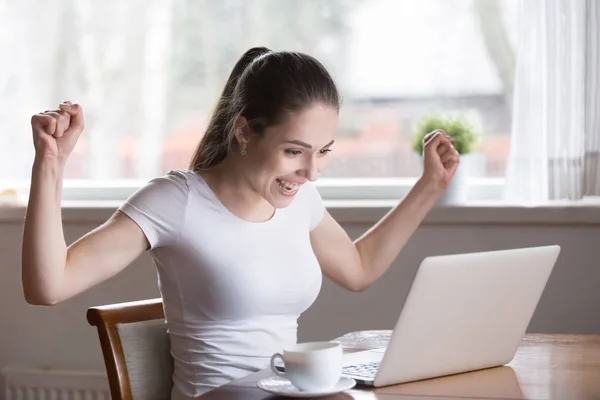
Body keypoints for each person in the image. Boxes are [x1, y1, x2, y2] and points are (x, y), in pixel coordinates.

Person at [22, 47, 459, 399]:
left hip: (286, 393)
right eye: (294, 151)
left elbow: (359, 268)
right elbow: (49, 285)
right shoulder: (178, 200)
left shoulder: (300, 199)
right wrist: (51, 163)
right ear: (245, 132)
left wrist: (428, 188)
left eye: (324, 151)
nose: (311, 172)